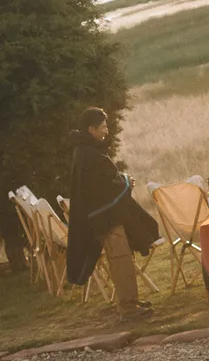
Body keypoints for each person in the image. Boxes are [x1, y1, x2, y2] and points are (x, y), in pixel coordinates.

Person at [66, 107, 159, 321]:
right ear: (91, 129)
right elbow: (102, 189)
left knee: (123, 259)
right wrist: (126, 182)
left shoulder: (86, 150)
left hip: (105, 219)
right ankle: (128, 308)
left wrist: (121, 180)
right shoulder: (89, 153)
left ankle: (131, 302)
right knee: (120, 261)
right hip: (105, 221)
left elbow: (103, 182)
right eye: (103, 127)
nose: (106, 130)